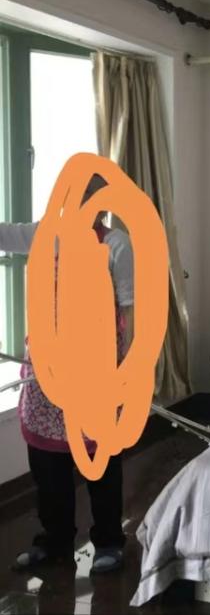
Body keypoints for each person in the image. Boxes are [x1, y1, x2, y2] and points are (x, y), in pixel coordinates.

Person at [0, 173, 134, 574]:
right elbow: (5, 235)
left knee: (101, 462)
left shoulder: (116, 245)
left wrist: (127, 372)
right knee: (47, 465)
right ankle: (55, 542)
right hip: (46, 375)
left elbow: (129, 311)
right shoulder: (46, 234)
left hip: (96, 373)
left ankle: (108, 542)